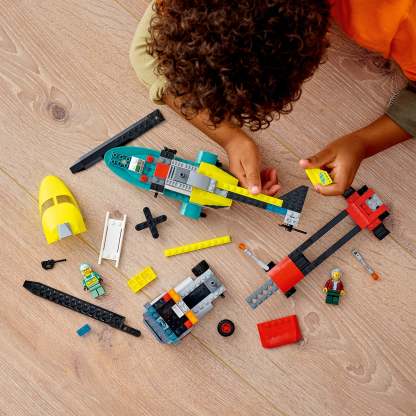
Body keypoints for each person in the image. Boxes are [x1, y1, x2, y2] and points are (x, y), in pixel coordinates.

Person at [129, 0, 416, 196]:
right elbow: (145, 55)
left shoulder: (401, 20)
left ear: (321, 46)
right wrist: (230, 138)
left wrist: (365, 143)